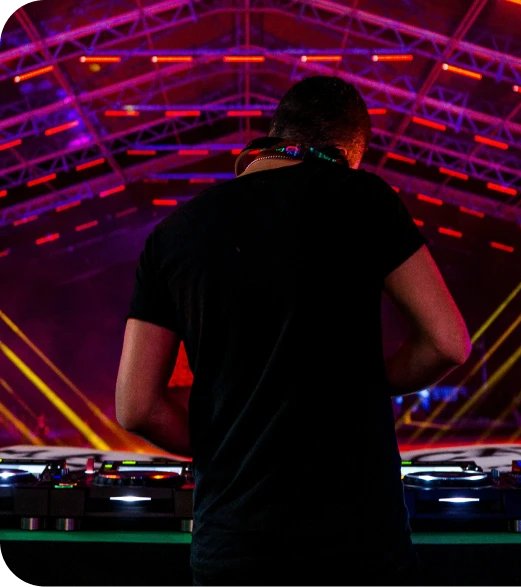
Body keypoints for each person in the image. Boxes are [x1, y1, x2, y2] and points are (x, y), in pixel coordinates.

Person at [116, 75, 471, 586]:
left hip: (234, 545)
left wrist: (226, 447)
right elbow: (447, 343)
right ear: (346, 153)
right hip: (359, 545)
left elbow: (135, 405)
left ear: (276, 136)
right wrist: (366, 381)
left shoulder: (173, 234)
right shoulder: (363, 197)